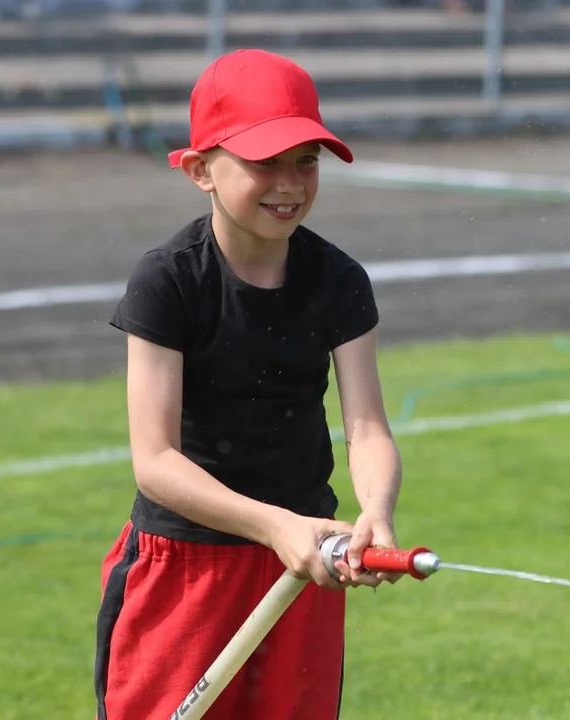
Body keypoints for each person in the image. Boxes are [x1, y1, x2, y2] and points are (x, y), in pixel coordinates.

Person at [94, 48, 404, 720]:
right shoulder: (168, 281)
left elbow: (368, 428)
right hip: (187, 568)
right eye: (264, 161)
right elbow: (155, 462)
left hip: (300, 569)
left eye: (306, 161)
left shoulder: (338, 280)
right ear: (201, 170)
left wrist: (374, 511)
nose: (289, 183)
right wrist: (275, 527)